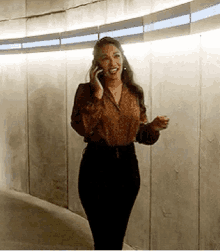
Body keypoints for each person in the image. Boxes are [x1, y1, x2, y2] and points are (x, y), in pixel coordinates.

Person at [71, 36, 169, 250]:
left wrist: (152, 127)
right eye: (105, 58)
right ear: (97, 65)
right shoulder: (85, 91)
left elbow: (141, 135)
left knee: (116, 238)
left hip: (126, 168)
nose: (113, 63)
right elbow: (83, 128)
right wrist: (97, 95)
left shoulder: (134, 92)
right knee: (102, 238)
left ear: (123, 58)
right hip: (95, 167)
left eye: (116, 56)